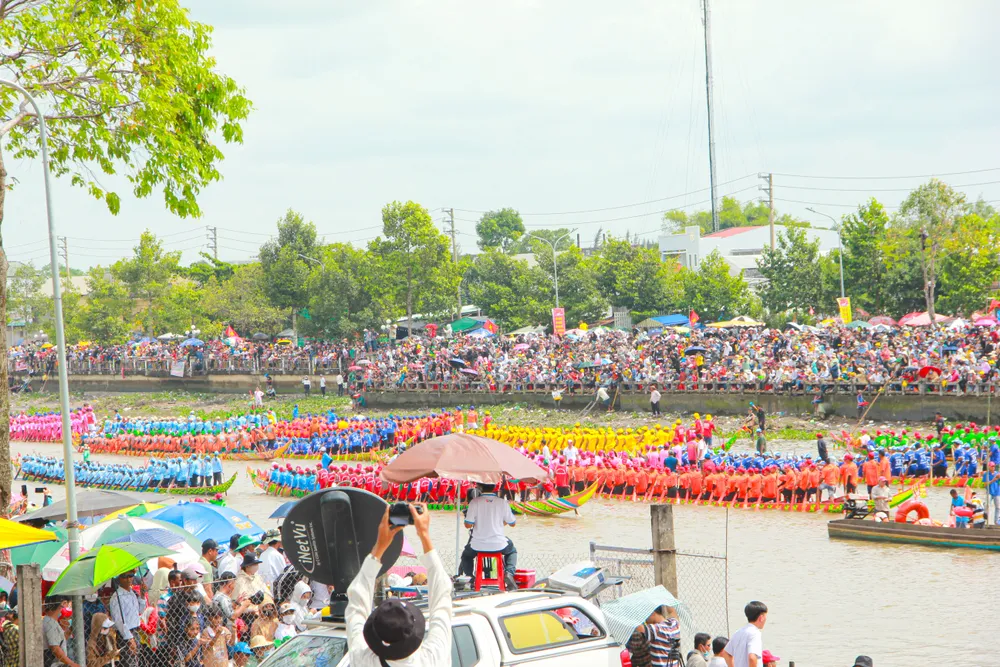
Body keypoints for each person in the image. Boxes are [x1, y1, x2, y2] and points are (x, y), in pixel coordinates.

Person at [346, 503, 451, 667]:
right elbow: (442, 602)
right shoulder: (432, 659)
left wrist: (380, 546)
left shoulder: (363, 660)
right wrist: (424, 535)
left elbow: (356, 603)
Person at [459, 483, 518, 591]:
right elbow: (513, 523)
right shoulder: (502, 502)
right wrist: (499, 523)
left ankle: (470, 578)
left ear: (480, 488)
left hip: (478, 544)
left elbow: (468, 525)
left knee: (466, 556)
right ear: (495, 487)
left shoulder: (474, 502)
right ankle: (509, 573)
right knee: (512, 550)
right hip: (499, 544)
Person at [107, 571, 142, 667]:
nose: (128, 579)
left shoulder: (132, 593)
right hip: (126, 634)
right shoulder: (116, 597)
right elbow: (118, 621)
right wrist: (129, 638)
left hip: (136, 630)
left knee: (136, 662)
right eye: (124, 576)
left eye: (130, 576)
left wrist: (142, 596)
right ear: (119, 579)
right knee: (129, 663)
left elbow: (139, 611)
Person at [721, 601, 767, 667]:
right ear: (761, 617)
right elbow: (752, 657)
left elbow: (726, 653)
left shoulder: (738, 632)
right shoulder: (755, 633)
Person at [43, 598, 79, 667]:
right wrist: (72, 664)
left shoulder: (51, 621)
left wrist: (70, 630)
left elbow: (59, 641)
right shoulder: (50, 623)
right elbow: (55, 648)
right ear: (63, 603)